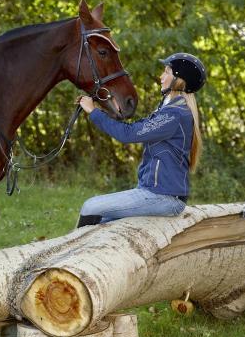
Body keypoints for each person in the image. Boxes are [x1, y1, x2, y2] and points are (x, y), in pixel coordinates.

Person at [76, 53, 206, 227]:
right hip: (154, 193)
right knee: (101, 222)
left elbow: (127, 135)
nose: (161, 77)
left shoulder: (174, 115)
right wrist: (112, 109)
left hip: (163, 197)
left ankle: (76, 252)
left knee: (90, 206)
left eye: (166, 72)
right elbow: (135, 128)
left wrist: (93, 112)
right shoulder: (170, 110)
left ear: (179, 80)